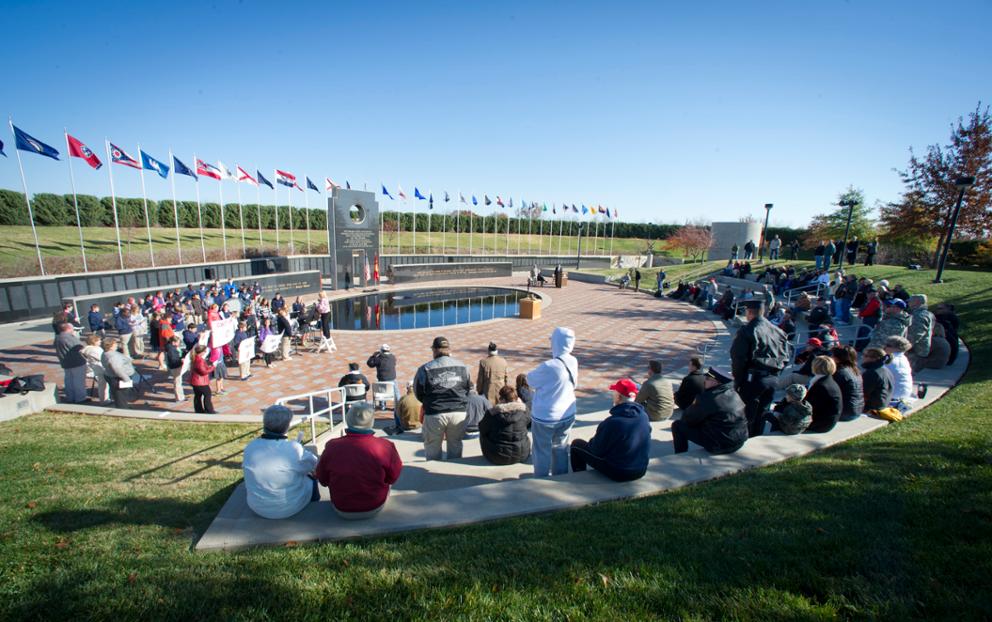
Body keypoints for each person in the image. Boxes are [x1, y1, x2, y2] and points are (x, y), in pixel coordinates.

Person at [315, 402, 403, 519]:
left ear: (348, 420)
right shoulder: (385, 446)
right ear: (371, 422)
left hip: (341, 507)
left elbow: (323, 479)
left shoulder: (332, 446)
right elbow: (393, 477)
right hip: (374, 506)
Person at [242, 405, 320, 520]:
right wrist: (300, 449)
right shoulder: (293, 448)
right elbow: (314, 464)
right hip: (290, 508)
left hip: (257, 507)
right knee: (312, 479)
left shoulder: (251, 446)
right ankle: (314, 505)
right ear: (287, 426)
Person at [570, 378, 651, 481]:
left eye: (614, 393)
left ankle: (579, 478)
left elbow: (596, 450)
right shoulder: (643, 416)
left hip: (620, 471)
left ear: (619, 397)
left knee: (576, 445)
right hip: (641, 469)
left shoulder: (612, 422)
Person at [730, 300, 789, 437]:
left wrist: (738, 381)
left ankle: (744, 439)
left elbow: (739, 358)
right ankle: (756, 437)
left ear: (749, 312)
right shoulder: (778, 331)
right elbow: (785, 356)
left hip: (753, 379)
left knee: (747, 415)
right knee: (762, 412)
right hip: (772, 378)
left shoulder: (747, 331)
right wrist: (775, 374)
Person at [526, 327, 578, 477]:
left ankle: (541, 478)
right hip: (567, 413)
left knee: (541, 450)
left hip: (546, 417)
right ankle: (560, 477)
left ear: (556, 342)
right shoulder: (573, 361)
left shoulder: (549, 366)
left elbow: (531, 380)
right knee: (561, 448)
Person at [413, 336, 472, 460]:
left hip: (435, 413)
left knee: (432, 447)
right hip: (458, 413)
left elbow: (418, 392)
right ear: (448, 349)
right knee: (455, 445)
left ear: (434, 350)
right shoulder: (463, 367)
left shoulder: (425, 368)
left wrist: (429, 402)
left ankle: (433, 476)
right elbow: (467, 389)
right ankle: (454, 472)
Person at [672, 368, 748, 454]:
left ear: (717, 382)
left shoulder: (708, 398)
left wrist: (694, 405)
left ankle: (680, 455)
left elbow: (688, 419)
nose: (704, 380)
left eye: (708, 379)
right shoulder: (734, 393)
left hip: (720, 446)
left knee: (677, 426)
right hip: (739, 441)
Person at [479, 385, 531, 465]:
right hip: (521, 455)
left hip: (497, 456)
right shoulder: (524, 411)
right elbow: (528, 423)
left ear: (502, 399)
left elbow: (482, 429)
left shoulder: (492, 413)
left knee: (483, 432)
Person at [805, 356, 843, 433]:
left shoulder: (821, 386)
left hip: (822, 424)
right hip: (827, 420)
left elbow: (809, 406)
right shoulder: (828, 380)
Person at [54, 322, 88, 404]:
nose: (73, 330)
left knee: (69, 381)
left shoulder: (58, 337)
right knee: (78, 381)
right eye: (72, 329)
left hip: (65, 363)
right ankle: (80, 398)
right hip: (76, 362)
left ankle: (70, 397)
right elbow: (80, 347)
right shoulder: (69, 337)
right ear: (68, 328)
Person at [101, 337, 137, 409]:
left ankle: (123, 406)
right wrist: (126, 379)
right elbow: (117, 369)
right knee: (120, 395)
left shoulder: (106, 353)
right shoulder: (113, 356)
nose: (117, 345)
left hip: (112, 376)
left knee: (119, 395)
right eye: (115, 344)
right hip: (118, 378)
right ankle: (122, 410)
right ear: (110, 346)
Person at [831, 345, 864, 421]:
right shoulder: (855, 371)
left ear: (837, 359)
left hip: (845, 413)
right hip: (857, 410)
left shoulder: (839, 373)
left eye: (832, 355)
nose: (830, 357)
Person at [884, 335, 915, 409]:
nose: (884, 347)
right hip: (905, 395)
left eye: (888, 345)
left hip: (893, 398)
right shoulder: (903, 358)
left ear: (896, 348)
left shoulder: (889, 360)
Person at [906, 294, 935, 372]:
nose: (908, 303)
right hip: (921, 350)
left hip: (915, 352)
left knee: (909, 373)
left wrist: (904, 347)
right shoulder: (928, 314)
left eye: (910, 301)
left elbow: (915, 335)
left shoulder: (918, 316)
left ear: (917, 302)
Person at [861, 347, 894, 412]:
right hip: (883, 405)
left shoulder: (872, 373)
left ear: (875, 359)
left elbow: (862, 392)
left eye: (866, 356)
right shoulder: (886, 370)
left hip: (872, 408)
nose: (863, 357)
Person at [367, 343, 399, 408]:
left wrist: (373, 356)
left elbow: (369, 364)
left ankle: (382, 405)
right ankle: (398, 404)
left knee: (381, 391)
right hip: (392, 379)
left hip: (382, 379)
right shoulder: (392, 357)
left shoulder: (378, 358)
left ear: (381, 350)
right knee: (396, 392)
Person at [190, 344, 217, 414]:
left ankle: (199, 410)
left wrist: (208, 366)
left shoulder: (195, 358)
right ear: (201, 352)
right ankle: (209, 410)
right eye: (204, 351)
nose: (205, 353)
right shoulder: (200, 360)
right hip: (200, 382)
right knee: (207, 394)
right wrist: (213, 367)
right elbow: (203, 372)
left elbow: (202, 368)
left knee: (198, 396)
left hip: (195, 381)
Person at [81, 333, 108, 402]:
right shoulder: (94, 350)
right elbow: (102, 358)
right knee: (103, 385)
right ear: (94, 341)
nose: (100, 341)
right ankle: (104, 400)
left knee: (103, 385)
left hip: (95, 368)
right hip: (98, 369)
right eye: (98, 340)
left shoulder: (88, 349)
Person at [164, 335, 186, 402]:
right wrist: (181, 360)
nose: (179, 344)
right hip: (175, 366)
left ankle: (180, 396)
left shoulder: (171, 347)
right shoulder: (171, 349)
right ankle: (179, 397)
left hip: (175, 365)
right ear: (173, 342)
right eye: (178, 342)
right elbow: (173, 359)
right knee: (177, 382)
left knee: (178, 381)